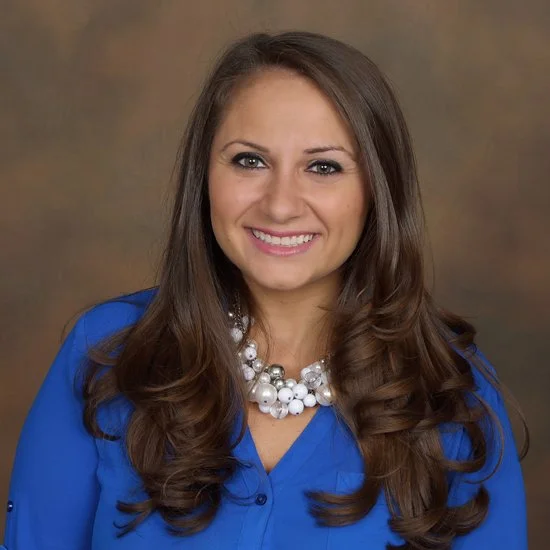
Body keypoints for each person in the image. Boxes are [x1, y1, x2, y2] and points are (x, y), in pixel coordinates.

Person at [3, 31, 527, 550]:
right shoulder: (108, 353)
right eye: (249, 161)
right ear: (204, 175)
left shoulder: (452, 388)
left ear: (377, 190)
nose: (280, 205)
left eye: (324, 167)